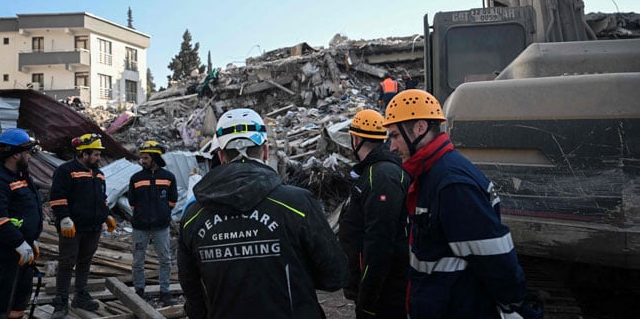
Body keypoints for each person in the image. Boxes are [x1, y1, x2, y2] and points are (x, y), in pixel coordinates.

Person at [383, 89, 541, 319]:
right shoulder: (431, 175)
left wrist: (513, 305)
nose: (392, 147)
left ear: (419, 128)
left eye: (395, 135)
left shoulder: (451, 184)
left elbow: (495, 261)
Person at [177, 108, 348, 319]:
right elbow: (335, 276)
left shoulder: (193, 216)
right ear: (265, 151)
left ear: (221, 156)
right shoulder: (297, 204)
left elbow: (193, 294)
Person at [339, 109, 410, 318]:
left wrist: (367, 302)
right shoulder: (372, 173)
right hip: (379, 290)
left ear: (356, 138)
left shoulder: (381, 177)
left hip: (384, 295)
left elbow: (379, 245)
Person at [0, 128, 42, 319]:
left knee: (18, 301)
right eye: (27, 152)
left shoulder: (21, 177)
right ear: (15, 154)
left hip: (19, 252)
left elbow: (25, 212)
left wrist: (30, 239)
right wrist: (19, 243)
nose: (29, 156)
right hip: (0, 253)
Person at [49, 133, 117, 319]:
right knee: (66, 263)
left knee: (84, 262)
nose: (98, 158)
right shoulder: (66, 171)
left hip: (93, 228)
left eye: (98, 154)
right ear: (83, 154)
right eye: (95, 154)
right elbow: (57, 197)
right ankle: (61, 301)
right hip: (72, 228)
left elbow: (101, 200)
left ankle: (80, 296)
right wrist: (64, 218)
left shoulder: (99, 174)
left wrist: (107, 216)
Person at [128, 140, 178, 306]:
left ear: (155, 158)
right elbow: (132, 202)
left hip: (161, 227)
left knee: (165, 259)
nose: (143, 161)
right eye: (142, 158)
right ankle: (139, 291)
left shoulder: (168, 177)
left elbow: (172, 200)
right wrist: (143, 215)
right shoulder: (136, 178)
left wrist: (162, 214)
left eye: (146, 158)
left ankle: (165, 292)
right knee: (137, 261)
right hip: (139, 227)